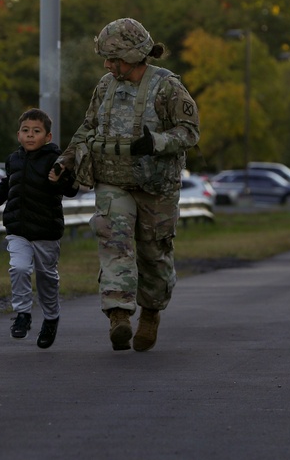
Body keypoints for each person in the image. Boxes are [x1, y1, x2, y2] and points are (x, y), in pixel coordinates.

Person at [51, 18, 200, 352]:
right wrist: (66, 161)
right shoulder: (105, 86)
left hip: (156, 186)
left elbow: (190, 132)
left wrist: (158, 142)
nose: (107, 64)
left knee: (153, 254)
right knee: (113, 240)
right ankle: (118, 314)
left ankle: (150, 313)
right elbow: (88, 127)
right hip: (113, 181)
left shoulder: (167, 87)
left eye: (113, 58)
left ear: (133, 56)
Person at [0, 108, 79, 349]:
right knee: (18, 268)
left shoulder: (55, 160)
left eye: (36, 131)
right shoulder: (14, 159)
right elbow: (9, 183)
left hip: (46, 231)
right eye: (25, 131)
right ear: (18, 135)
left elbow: (71, 189)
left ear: (47, 137)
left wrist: (60, 178)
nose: (30, 135)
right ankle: (22, 315)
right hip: (18, 229)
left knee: (47, 279)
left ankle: (50, 318)